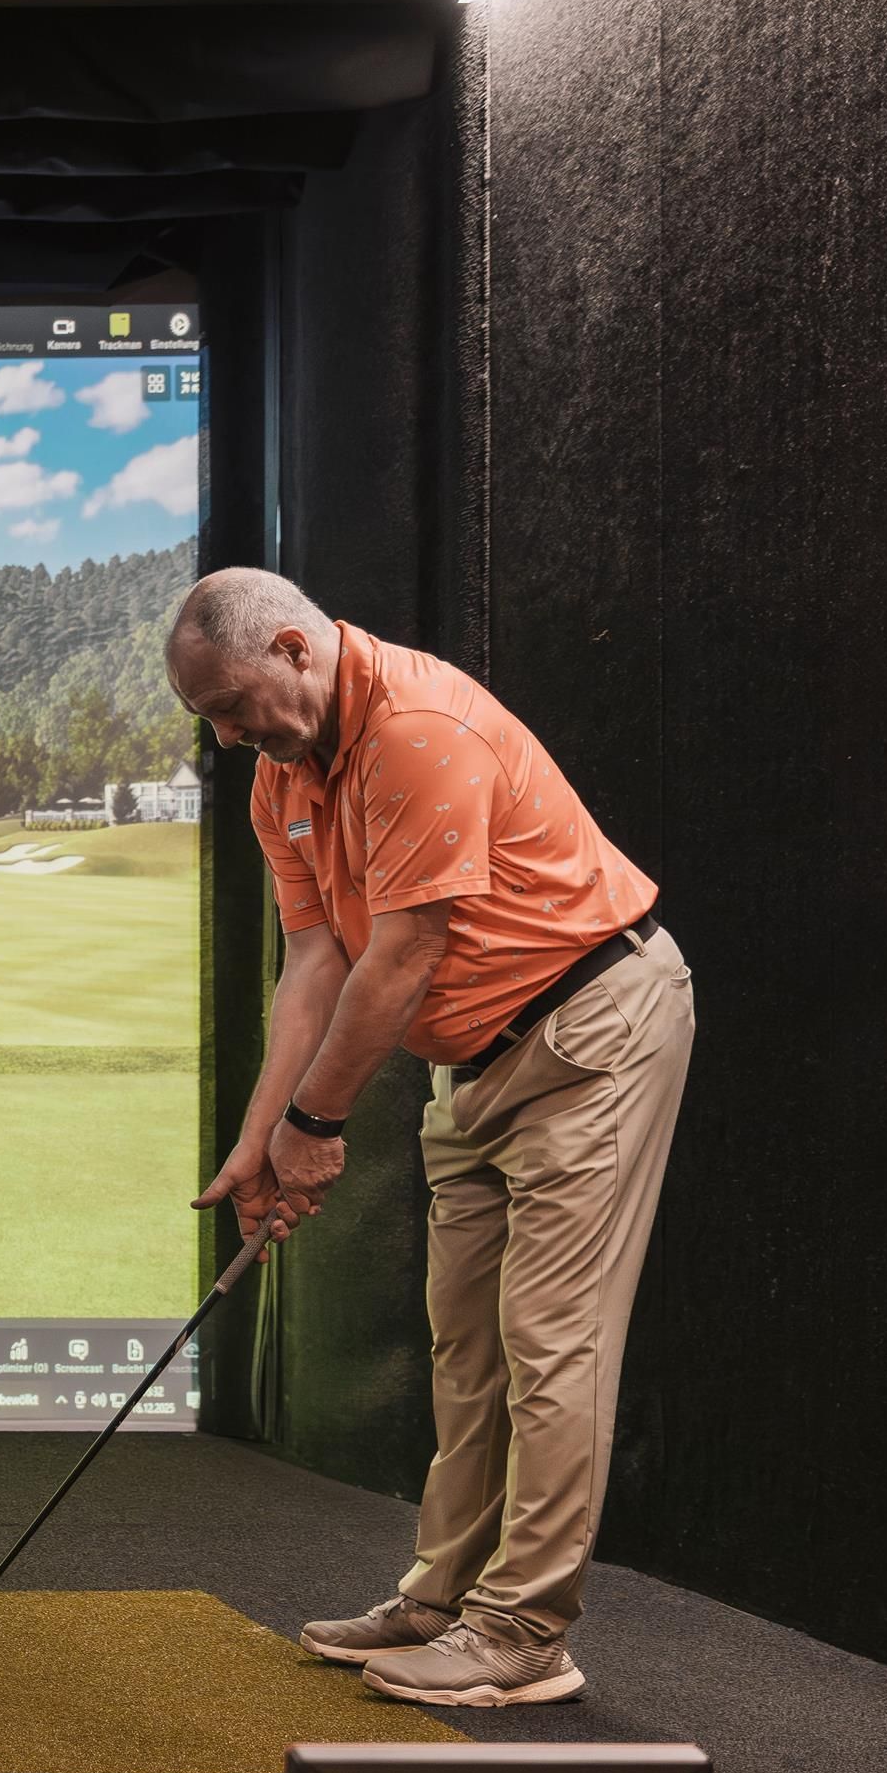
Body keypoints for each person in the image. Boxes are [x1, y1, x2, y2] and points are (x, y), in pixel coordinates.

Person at [171, 568, 693, 1710]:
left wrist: (317, 1126)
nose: (227, 735)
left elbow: (400, 955)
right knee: (465, 1346)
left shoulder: (419, 728)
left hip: (589, 1024)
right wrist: (261, 1139)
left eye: (232, 704)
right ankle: (442, 1596)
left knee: (551, 1339)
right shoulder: (283, 777)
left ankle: (522, 1633)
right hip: (474, 1056)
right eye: (206, 718)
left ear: (297, 649)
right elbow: (311, 966)